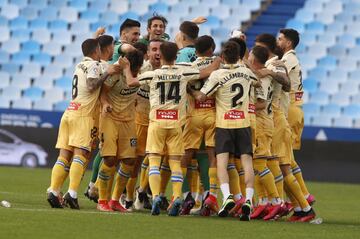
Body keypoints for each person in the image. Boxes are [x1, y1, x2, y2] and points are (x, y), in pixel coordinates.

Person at [125, 41, 220, 216]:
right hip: (176, 123)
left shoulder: (153, 74)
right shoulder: (183, 72)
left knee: (154, 160)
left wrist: (125, 67)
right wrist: (217, 60)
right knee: (175, 162)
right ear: (176, 57)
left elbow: (131, 81)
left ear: (160, 56)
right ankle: (176, 196)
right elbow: (206, 72)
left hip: (157, 123)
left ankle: (155, 197)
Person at [47, 38, 122, 209]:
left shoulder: (80, 64)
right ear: (97, 50)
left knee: (64, 156)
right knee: (80, 154)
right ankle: (72, 194)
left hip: (69, 112)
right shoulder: (94, 66)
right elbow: (91, 85)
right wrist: (108, 72)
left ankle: (53, 190)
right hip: (83, 115)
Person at [193, 41, 257, 221]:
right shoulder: (246, 73)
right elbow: (257, 82)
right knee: (247, 163)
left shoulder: (218, 75)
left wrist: (190, 89)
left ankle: (227, 196)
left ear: (222, 57)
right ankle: (249, 200)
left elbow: (202, 96)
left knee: (221, 162)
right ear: (238, 56)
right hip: (243, 124)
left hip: (224, 124)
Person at [96, 50, 144, 212]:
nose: (136, 72)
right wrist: (105, 104)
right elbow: (103, 94)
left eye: (138, 69)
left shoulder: (140, 73)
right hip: (110, 118)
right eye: (134, 69)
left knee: (130, 161)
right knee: (109, 159)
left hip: (129, 120)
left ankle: (115, 200)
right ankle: (102, 200)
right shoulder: (115, 73)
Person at [277, 29, 316, 222]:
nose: (278, 41)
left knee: (284, 160)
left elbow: (280, 76)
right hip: (294, 108)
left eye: (281, 39)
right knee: (287, 158)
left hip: (290, 110)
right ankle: (302, 199)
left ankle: (302, 200)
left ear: (289, 43)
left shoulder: (288, 59)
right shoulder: (291, 58)